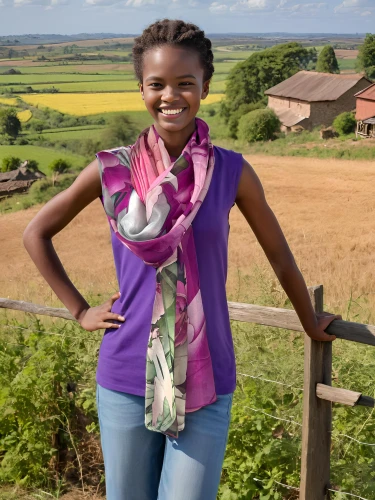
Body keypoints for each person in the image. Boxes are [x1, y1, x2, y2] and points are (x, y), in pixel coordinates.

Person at [23, 19, 339, 500]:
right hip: (125, 372)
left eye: (184, 83)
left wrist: (309, 321)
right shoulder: (112, 169)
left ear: (205, 87)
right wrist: (79, 310)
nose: (171, 95)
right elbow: (36, 233)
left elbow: (279, 257)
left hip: (206, 373)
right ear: (142, 90)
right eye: (157, 84)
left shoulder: (232, 171)